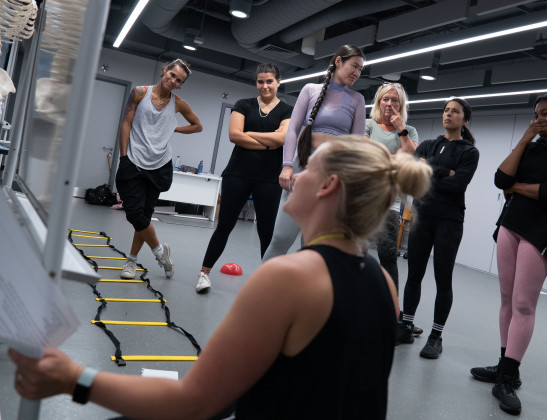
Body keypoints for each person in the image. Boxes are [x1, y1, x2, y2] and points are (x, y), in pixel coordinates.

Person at [9, 136, 432, 420]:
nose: (295, 177)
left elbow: (194, 404)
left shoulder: (288, 277)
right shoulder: (382, 281)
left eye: (307, 169)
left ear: (328, 187)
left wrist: (73, 378)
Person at [470, 92, 547, 415]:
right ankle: (504, 366)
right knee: (507, 299)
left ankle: (507, 378)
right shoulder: (532, 146)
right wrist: (524, 139)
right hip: (511, 225)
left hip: (542, 234)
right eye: (536, 114)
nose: (540, 120)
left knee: (524, 304)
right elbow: (500, 178)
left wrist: (518, 188)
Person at [262, 44, 366, 261]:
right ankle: (259, 293)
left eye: (360, 70)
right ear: (338, 61)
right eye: (354, 66)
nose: (357, 73)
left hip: (333, 176)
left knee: (312, 244)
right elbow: (292, 129)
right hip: (302, 167)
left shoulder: (357, 100)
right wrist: (287, 165)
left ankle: (302, 294)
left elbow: (356, 147)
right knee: (281, 237)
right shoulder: (310, 90)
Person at [195, 64, 292, 293]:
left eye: (269, 81)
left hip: (269, 179)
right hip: (237, 174)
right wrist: (269, 142)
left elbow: (284, 138)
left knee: (267, 231)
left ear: (278, 82)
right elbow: (233, 135)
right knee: (225, 225)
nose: (264, 86)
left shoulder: (287, 110)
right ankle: (204, 274)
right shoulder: (243, 105)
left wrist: (249, 135)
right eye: (260, 81)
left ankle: (269, 284)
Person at [397, 98, 479, 358]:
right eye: (446, 110)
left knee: (443, 279)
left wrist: (431, 172)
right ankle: (406, 326)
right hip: (422, 216)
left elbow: (458, 185)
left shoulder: (469, 151)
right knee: (414, 274)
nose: (449, 115)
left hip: (449, 221)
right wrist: (446, 172)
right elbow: (413, 178)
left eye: (455, 112)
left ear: (465, 120)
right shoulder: (429, 145)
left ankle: (435, 336)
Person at [117, 59, 202, 280]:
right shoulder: (139, 93)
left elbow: (198, 126)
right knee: (134, 213)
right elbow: (126, 122)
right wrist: (123, 155)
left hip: (159, 165)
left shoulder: (178, 104)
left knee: (143, 216)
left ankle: (131, 261)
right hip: (134, 161)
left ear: (180, 85)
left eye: (178, 80)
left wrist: (174, 128)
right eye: (171, 74)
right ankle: (160, 252)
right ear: (165, 70)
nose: (172, 80)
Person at [365, 82, 421, 336]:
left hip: (391, 202)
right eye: (385, 99)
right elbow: (366, 155)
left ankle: (391, 312)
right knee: (357, 255)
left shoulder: (410, 131)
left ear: (401, 105)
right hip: (363, 200)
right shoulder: (368, 125)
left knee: (388, 257)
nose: (389, 104)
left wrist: (401, 130)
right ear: (378, 102)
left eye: (395, 100)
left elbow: (411, 158)